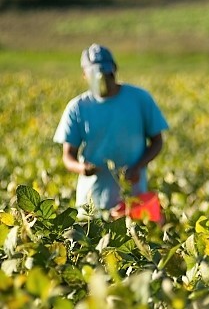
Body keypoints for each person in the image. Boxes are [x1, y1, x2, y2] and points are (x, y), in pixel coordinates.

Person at [54, 43, 169, 217]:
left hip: (133, 198)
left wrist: (137, 166)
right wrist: (82, 168)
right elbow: (68, 156)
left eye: (107, 74)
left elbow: (157, 141)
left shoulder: (139, 99)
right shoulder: (78, 108)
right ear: (85, 75)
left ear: (114, 70)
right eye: (96, 75)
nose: (103, 80)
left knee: (132, 240)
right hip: (92, 201)